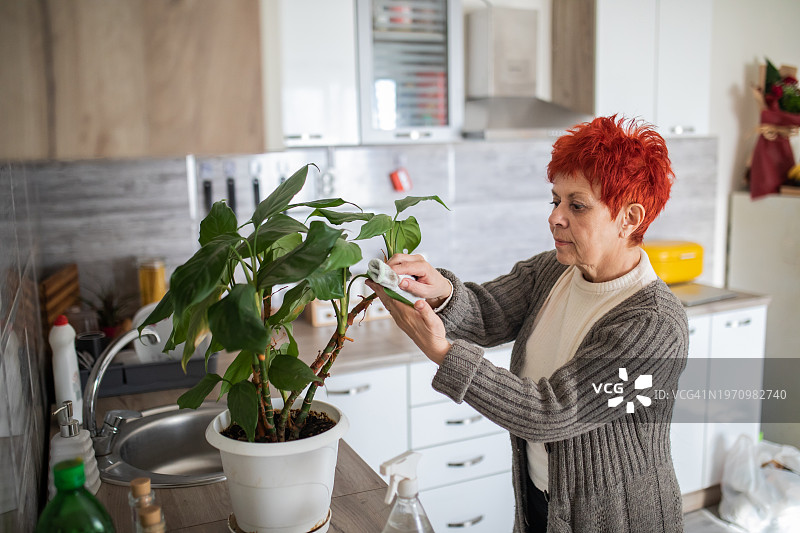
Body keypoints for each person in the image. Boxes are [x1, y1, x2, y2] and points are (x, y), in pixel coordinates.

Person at [366, 115, 688, 533]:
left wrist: (444, 355)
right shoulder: (552, 272)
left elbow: (553, 411)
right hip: (541, 501)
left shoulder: (654, 325)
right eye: (555, 200)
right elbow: (486, 312)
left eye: (577, 205)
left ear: (629, 218)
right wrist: (441, 288)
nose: (555, 217)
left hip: (618, 519)